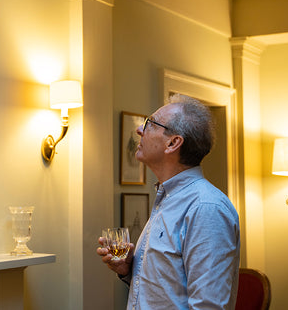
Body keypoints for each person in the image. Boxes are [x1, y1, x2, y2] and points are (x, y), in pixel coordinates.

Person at [97, 94, 240, 309]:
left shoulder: (206, 208)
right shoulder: (167, 197)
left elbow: (208, 305)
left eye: (149, 124)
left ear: (173, 143)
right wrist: (128, 270)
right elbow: (167, 290)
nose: (139, 130)